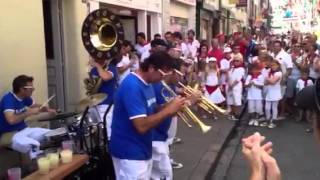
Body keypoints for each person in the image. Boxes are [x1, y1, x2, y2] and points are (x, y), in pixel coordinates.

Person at [109, 52, 186, 179]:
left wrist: (169, 106)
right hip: (129, 153)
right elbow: (141, 125)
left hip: (142, 148)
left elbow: (152, 109)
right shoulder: (132, 86)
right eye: (162, 74)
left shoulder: (147, 83)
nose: (163, 78)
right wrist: (168, 111)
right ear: (151, 68)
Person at [0, 75, 55, 156]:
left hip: (24, 129)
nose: (33, 89)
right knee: (34, 145)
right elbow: (11, 120)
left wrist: (47, 109)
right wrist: (29, 112)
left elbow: (35, 106)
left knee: (53, 134)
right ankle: (41, 166)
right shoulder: (8, 99)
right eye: (31, 88)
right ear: (22, 89)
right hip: (9, 134)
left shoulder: (25, 97)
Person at [89, 57, 118, 139]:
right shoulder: (93, 70)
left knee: (107, 132)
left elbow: (105, 77)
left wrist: (97, 66)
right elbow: (91, 87)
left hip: (107, 104)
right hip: (96, 103)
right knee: (97, 131)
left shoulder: (112, 68)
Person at [261, 60, 282, 129]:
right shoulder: (270, 73)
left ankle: (273, 121)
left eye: (274, 65)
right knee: (267, 108)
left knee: (274, 107)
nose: (273, 67)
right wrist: (268, 79)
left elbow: (273, 82)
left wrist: (267, 78)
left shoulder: (279, 73)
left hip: (275, 92)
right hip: (269, 92)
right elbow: (265, 83)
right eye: (272, 65)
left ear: (278, 65)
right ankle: (267, 119)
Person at [226, 54, 245, 120]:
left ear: (241, 61)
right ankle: (232, 113)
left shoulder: (241, 69)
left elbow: (238, 79)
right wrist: (229, 85)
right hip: (230, 86)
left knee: (237, 101)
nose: (235, 62)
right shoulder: (232, 69)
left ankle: (237, 115)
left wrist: (231, 86)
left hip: (236, 87)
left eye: (237, 61)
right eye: (234, 61)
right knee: (230, 100)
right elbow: (228, 77)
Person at [245, 62, 264, 126]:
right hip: (250, 95)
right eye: (253, 70)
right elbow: (245, 85)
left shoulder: (261, 76)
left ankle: (256, 119)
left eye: (256, 69)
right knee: (251, 108)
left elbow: (261, 86)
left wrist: (255, 84)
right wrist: (249, 84)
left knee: (258, 108)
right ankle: (252, 119)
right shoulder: (249, 76)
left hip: (258, 96)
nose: (255, 71)